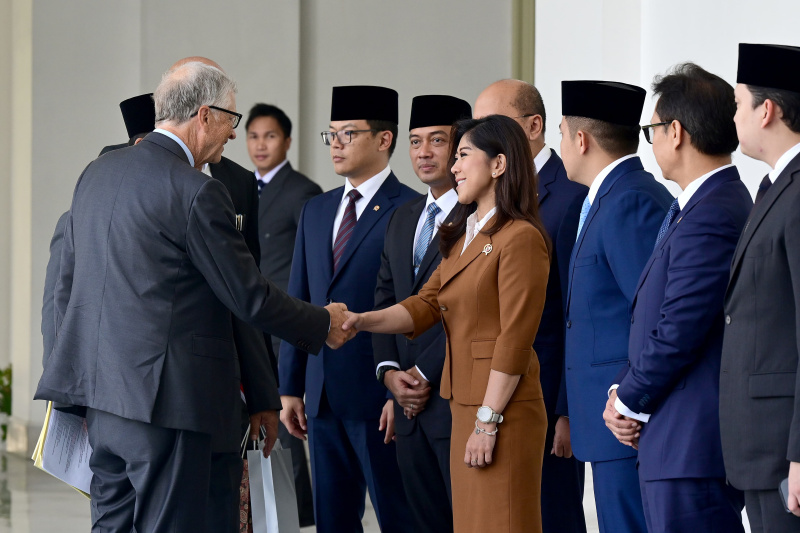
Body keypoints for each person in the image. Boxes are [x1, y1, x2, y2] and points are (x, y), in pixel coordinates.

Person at [34, 61, 350, 533]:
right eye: (231, 120)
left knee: (111, 526)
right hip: (170, 407)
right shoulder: (197, 190)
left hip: (104, 405)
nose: (231, 135)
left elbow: (70, 290)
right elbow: (249, 298)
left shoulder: (96, 175)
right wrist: (323, 323)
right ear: (204, 115)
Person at [344, 114, 551, 533]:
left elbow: (514, 339)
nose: (453, 167)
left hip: (501, 414)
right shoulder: (467, 233)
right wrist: (359, 321)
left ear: (498, 165)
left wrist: (488, 422)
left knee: (502, 523)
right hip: (465, 409)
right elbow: (423, 306)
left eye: (463, 155)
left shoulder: (521, 238)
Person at [603, 63, 750, 533]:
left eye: (652, 130)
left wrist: (627, 399)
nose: (652, 142)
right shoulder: (698, 205)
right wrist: (623, 392)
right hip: (672, 440)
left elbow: (680, 327)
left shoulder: (714, 211)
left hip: (691, 447)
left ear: (677, 132)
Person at [278, 85, 416, 533]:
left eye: (348, 134)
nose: (336, 144)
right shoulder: (315, 211)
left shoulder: (411, 209)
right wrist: (290, 387)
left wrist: (400, 388)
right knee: (332, 521)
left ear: (383, 140)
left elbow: (416, 306)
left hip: (378, 394)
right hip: (320, 397)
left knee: (398, 513)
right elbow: (298, 301)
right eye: (331, 134)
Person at [474, 79, 588, 533]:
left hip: (545, 398)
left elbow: (570, 315)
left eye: (491, 126)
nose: (477, 139)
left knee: (552, 515)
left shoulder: (572, 196)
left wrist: (565, 408)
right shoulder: (490, 194)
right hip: (491, 394)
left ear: (534, 125)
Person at [559, 80, 673, 533]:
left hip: (625, 418)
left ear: (581, 140)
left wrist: (629, 397)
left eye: (562, 133)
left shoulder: (629, 201)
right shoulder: (607, 197)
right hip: (606, 420)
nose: (561, 146)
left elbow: (651, 313)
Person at [372, 94, 471, 533]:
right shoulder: (402, 216)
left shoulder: (479, 217)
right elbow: (384, 301)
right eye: (415, 142)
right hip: (406, 407)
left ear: (460, 147)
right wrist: (391, 374)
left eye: (436, 140)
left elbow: (468, 312)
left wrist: (422, 376)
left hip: (453, 399)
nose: (424, 152)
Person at [720, 43, 800, 533]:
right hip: (759, 445)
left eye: (736, 104)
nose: (733, 117)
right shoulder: (774, 187)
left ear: (766, 110)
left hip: (782, 452)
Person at [245, 102, 320, 527]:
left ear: (287, 141)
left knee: (284, 432)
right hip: (246, 327)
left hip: (280, 329)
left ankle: (295, 517)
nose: (260, 144)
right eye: (253, 136)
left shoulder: (302, 192)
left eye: (269, 136)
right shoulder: (233, 188)